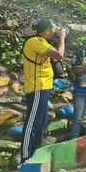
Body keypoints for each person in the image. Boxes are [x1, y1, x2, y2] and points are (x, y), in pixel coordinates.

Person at [21, 20, 65, 163]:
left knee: (40, 123)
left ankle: (34, 154)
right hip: (36, 87)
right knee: (32, 122)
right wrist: (62, 38)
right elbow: (59, 55)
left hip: (43, 87)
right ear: (47, 31)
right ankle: (25, 156)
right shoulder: (36, 41)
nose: (56, 33)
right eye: (54, 30)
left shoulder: (43, 43)